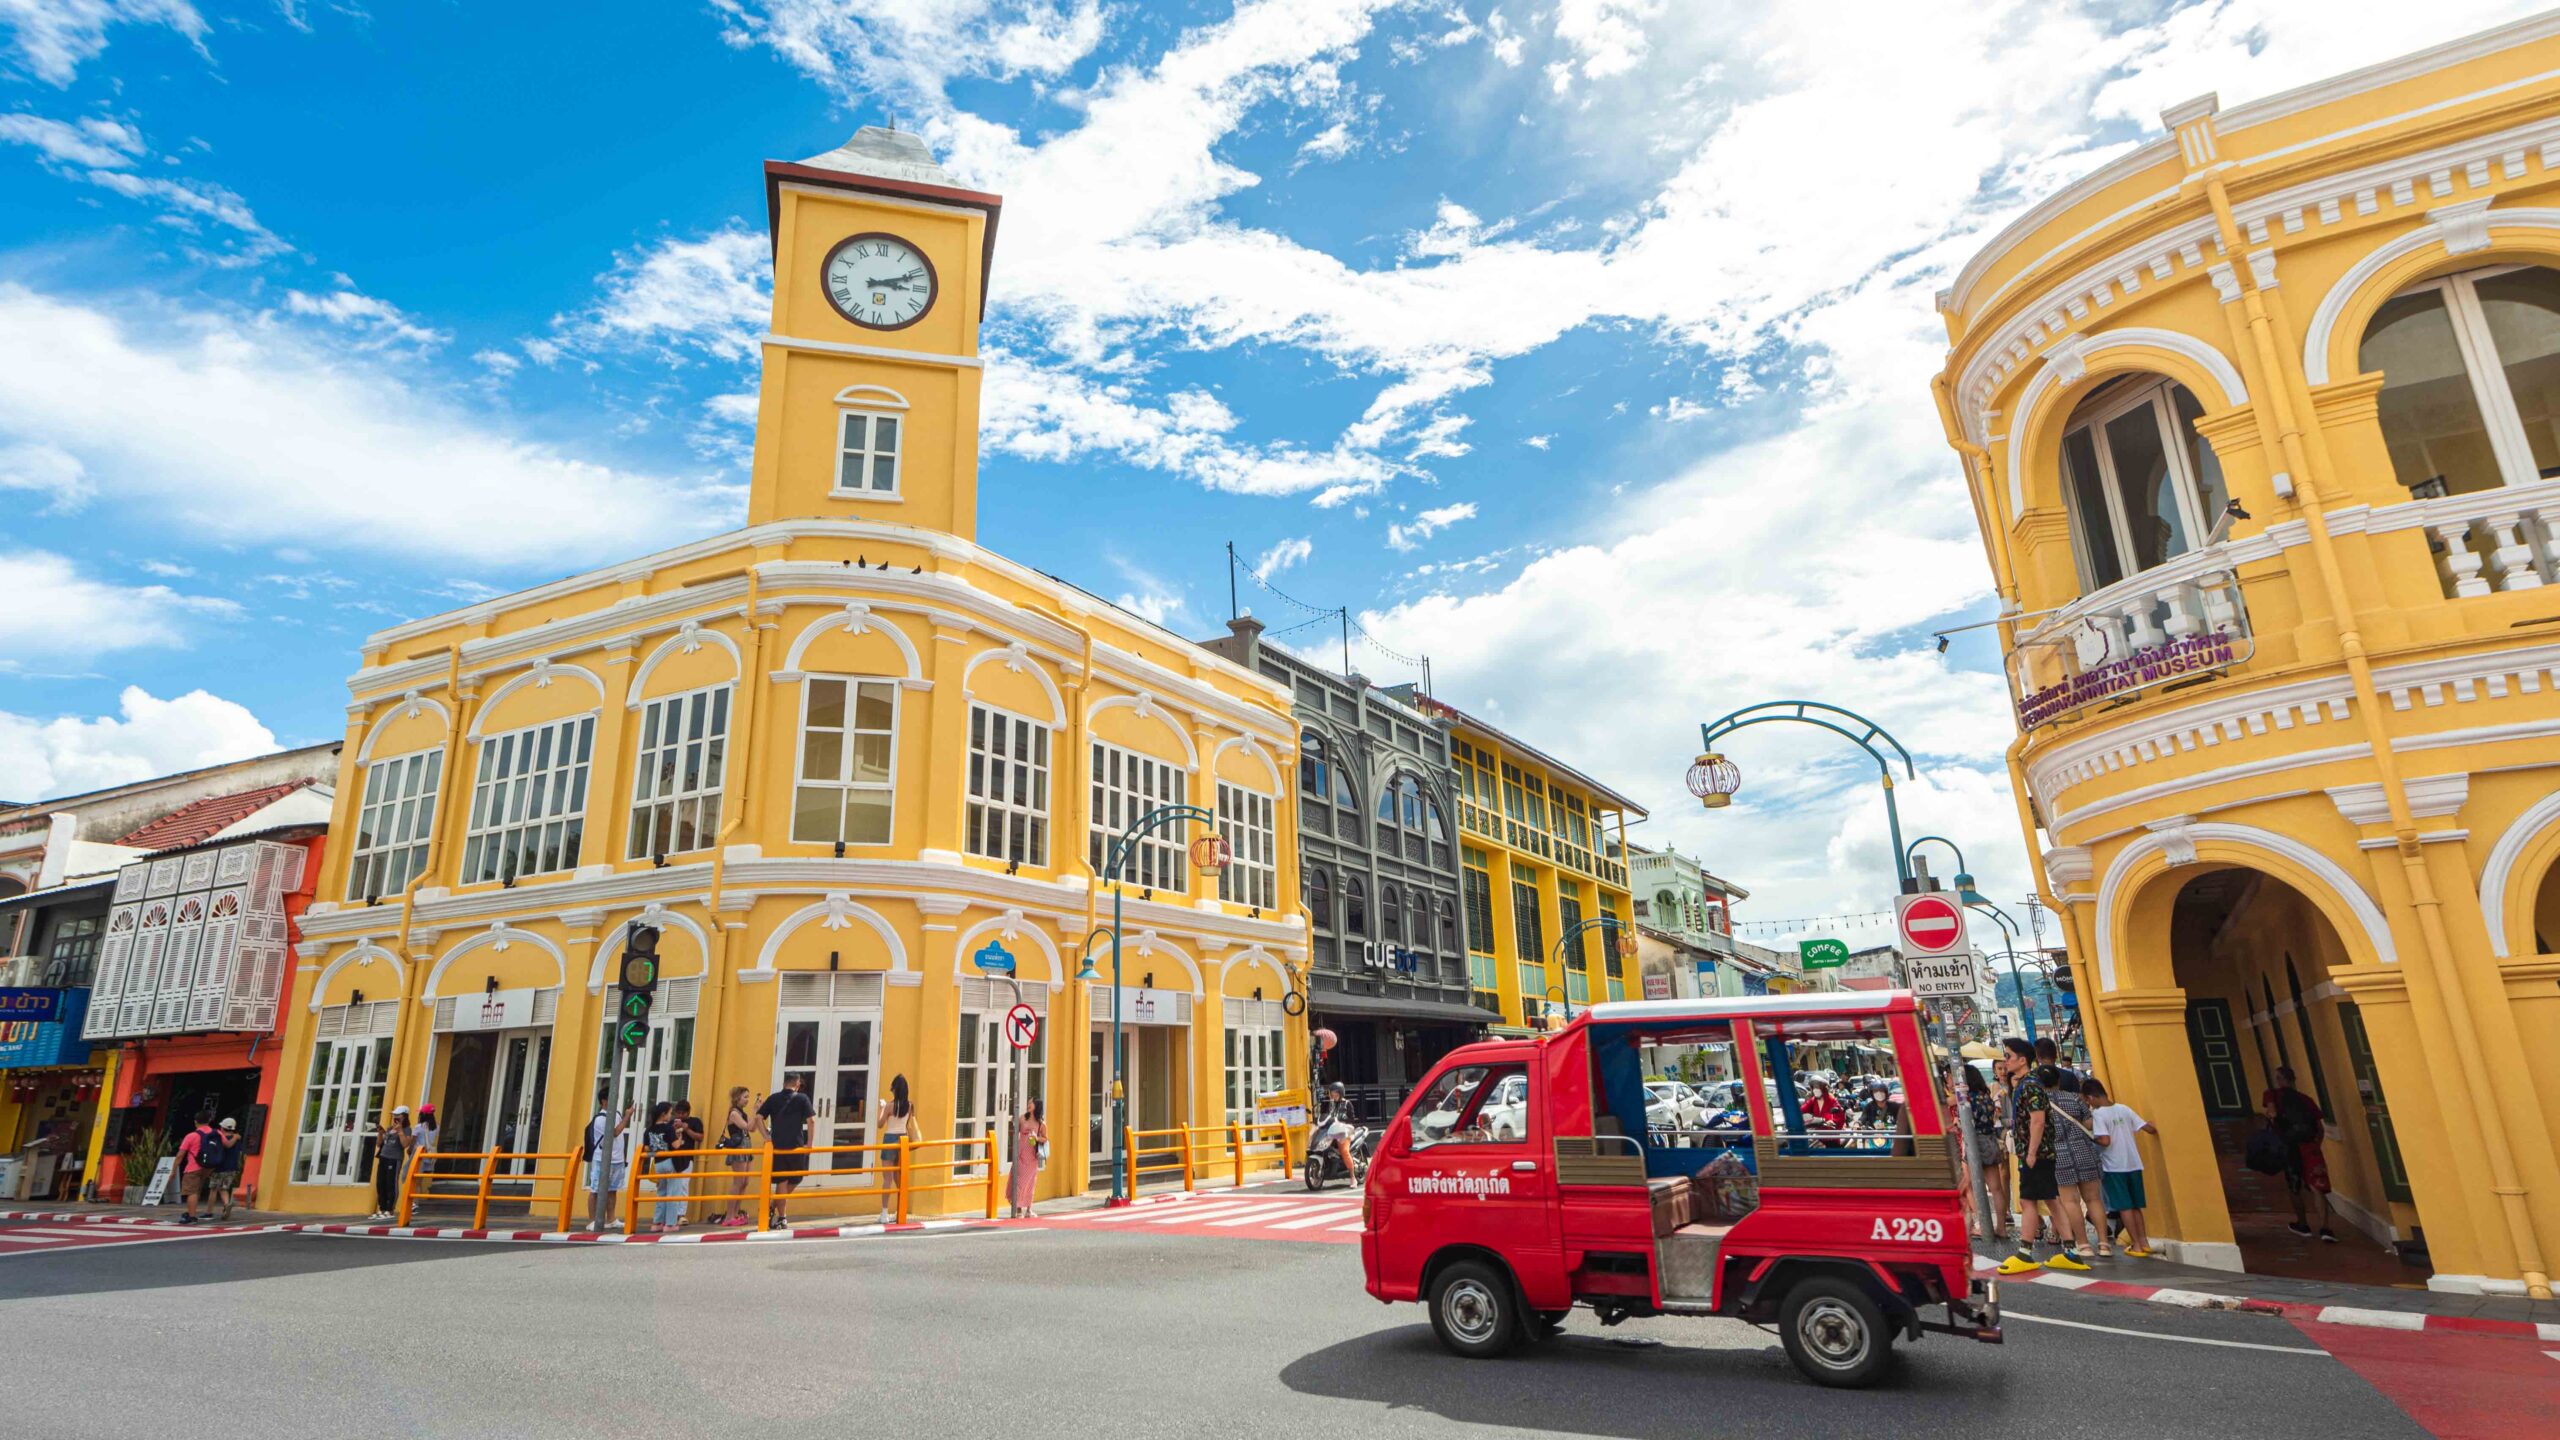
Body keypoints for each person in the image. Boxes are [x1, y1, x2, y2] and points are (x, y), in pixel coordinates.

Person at [1996, 1038, 2088, 1274]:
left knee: (2028, 1201)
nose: (2005, 1061)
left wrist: (2031, 1152)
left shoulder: (2030, 1085)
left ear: (2022, 1060)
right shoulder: (2026, 1084)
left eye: (2008, 1056)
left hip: (2035, 1153)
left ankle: (2025, 1253)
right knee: (2051, 1200)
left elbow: (2038, 1120)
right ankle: (2070, 1251)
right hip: (2040, 1152)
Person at [2263, 1066, 2336, 1243]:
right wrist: (2315, 1145)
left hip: (2289, 1146)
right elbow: (2319, 1128)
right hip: (2309, 1145)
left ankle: (2302, 1224)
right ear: (2294, 1080)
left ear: (2279, 1079)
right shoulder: (2306, 1100)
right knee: (2317, 1186)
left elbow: (2272, 1113)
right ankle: (2325, 1228)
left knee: (2294, 1185)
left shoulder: (2272, 1094)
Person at [2085, 1078, 2157, 1257]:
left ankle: (2136, 1246)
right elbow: (2149, 1128)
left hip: (2114, 1166)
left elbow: (2105, 1140)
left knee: (2124, 1207)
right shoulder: (2124, 1109)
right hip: (2134, 1163)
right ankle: (2144, 1242)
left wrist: (2090, 1137)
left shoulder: (2099, 1115)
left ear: (2091, 1098)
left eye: (2087, 1101)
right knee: (2136, 1206)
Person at [2042, 1064, 2109, 1257]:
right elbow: (2089, 1123)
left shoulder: (2039, 1104)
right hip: (2084, 1151)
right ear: (2058, 1081)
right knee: (2094, 1199)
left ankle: (2084, 1245)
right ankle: (2104, 1244)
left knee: (2070, 1202)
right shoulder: (2073, 1098)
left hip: (2059, 1156)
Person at [758, 1073, 816, 1229]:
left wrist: (766, 1137)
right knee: (796, 1178)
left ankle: (775, 1210)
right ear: (797, 1084)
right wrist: (809, 1144)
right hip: (796, 1145)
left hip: (777, 1145)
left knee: (783, 1180)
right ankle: (780, 1216)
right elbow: (811, 1121)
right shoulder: (802, 1098)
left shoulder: (773, 1098)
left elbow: (758, 1118)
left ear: (784, 1083)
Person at [1962, 1064, 2011, 1240]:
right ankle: (2001, 1227)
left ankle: (1983, 1225)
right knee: (1996, 1188)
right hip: (1991, 1140)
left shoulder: (1967, 1099)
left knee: (1970, 1186)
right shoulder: (1985, 1096)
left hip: (1975, 1142)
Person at [583, 1087, 630, 1231]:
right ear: (604, 1101)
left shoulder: (615, 1114)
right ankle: (593, 1220)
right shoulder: (600, 1119)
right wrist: (627, 1116)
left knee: (612, 1190)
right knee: (596, 1190)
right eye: (612, 1098)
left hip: (617, 1159)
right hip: (602, 1159)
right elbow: (614, 1132)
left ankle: (611, 1218)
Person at [713, 1085, 756, 1227]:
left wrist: (756, 1114)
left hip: (746, 1144)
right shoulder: (734, 1113)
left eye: (748, 1097)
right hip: (739, 1146)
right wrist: (755, 1111)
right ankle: (729, 1215)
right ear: (737, 1098)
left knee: (745, 1182)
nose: (747, 1100)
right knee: (738, 1182)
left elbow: (753, 1128)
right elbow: (747, 1127)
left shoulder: (742, 1113)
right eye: (745, 1097)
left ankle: (736, 1213)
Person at [876, 1074, 916, 1221]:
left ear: (895, 1089)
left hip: (890, 1138)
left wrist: (881, 1108)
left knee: (887, 1178)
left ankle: (884, 1213)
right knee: (899, 1177)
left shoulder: (889, 1106)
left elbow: (880, 1124)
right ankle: (901, 1210)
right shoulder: (910, 1105)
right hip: (903, 1140)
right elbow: (907, 1123)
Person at [176, 1114, 220, 1225]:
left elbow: (180, 1155)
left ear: (195, 1122)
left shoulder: (191, 1136)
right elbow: (226, 1145)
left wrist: (173, 1170)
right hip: (209, 1167)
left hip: (193, 1167)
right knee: (197, 1190)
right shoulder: (217, 1133)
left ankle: (191, 1217)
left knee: (192, 1192)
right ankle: (190, 1211)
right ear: (209, 1120)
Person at [371, 1106, 411, 1221]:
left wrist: (400, 1131)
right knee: (380, 1183)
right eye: (394, 1115)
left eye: (397, 1115)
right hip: (383, 1157)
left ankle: (390, 1209)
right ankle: (382, 1208)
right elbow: (379, 1144)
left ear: (404, 1116)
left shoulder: (407, 1129)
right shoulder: (389, 1129)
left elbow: (405, 1145)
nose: (395, 1117)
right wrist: (380, 1133)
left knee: (391, 1183)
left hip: (394, 1158)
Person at [1009, 1097, 1046, 1219]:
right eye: (1028, 1102)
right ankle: (1018, 1209)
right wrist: (1013, 1124)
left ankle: (1029, 1209)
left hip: (1032, 1156)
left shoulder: (1041, 1123)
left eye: (1031, 1103)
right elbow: (1014, 1132)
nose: (1029, 1104)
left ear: (1037, 1106)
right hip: (1020, 1153)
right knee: (1018, 1182)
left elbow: (1045, 1139)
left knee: (1030, 1183)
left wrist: (1036, 1138)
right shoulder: (1022, 1118)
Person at [1316, 1081, 1359, 1179]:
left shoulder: (1347, 1104)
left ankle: (1352, 1177)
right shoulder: (1330, 1104)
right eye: (1332, 1093)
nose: (1333, 1095)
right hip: (1332, 1130)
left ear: (1340, 1093)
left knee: (1344, 1150)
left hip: (1345, 1131)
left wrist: (1342, 1122)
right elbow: (1326, 1116)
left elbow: (1352, 1119)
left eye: (1335, 1093)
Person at [210, 1118, 245, 1220]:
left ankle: (209, 1211)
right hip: (232, 1167)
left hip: (220, 1167)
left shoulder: (219, 1138)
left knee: (213, 1188)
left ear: (222, 1127)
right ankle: (226, 1204)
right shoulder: (237, 1139)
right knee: (224, 1188)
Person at [411, 1105, 440, 1180]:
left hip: (420, 1155)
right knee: (420, 1181)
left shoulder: (418, 1127)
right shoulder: (437, 1127)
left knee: (416, 1182)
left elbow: (412, 1142)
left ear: (423, 1115)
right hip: (429, 1155)